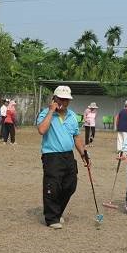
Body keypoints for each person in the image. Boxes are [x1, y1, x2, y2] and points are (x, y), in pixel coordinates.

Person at [35, 85, 88, 229]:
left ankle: (57, 212)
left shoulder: (72, 116)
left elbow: (76, 136)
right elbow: (41, 130)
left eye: (67, 100)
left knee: (70, 185)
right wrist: (51, 111)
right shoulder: (45, 113)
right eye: (61, 99)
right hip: (51, 156)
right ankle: (52, 218)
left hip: (68, 156)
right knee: (53, 186)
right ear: (54, 98)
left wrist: (83, 154)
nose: (64, 103)